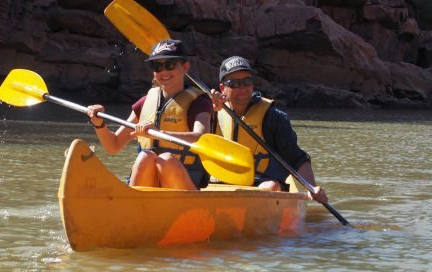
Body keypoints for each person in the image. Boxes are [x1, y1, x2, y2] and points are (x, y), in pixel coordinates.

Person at [87, 39, 213, 190]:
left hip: (184, 180)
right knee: (145, 157)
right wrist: (99, 124)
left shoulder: (199, 103)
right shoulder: (145, 102)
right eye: (157, 66)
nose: (164, 71)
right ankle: (135, 207)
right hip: (151, 182)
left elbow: (201, 138)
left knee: (166, 160)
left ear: (185, 67)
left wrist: (159, 134)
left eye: (170, 65)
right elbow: (113, 145)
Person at [210, 56, 328, 203]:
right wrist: (210, 111)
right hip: (221, 182)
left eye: (247, 81)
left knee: (271, 186)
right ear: (222, 88)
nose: (242, 88)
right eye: (234, 83)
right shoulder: (210, 111)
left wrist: (312, 187)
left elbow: (296, 158)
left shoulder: (273, 117)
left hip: (261, 182)